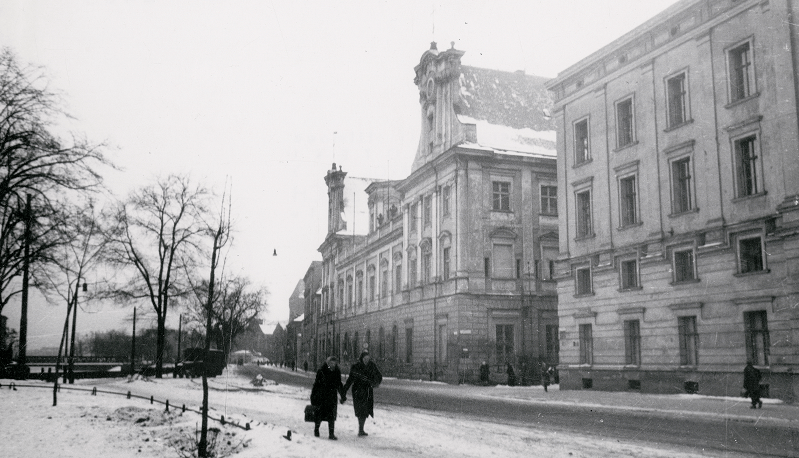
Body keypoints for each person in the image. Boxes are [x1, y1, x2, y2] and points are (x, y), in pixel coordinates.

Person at [343, 351, 383, 437]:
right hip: (358, 391)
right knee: (360, 410)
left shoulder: (372, 366)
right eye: (365, 359)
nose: (366, 360)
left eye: (368, 359)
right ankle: (361, 429)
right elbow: (350, 380)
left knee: (365, 411)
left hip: (367, 390)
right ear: (361, 358)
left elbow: (379, 376)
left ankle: (361, 429)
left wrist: (375, 383)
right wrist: (344, 391)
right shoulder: (356, 367)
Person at [310, 356, 347, 439]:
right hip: (322, 397)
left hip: (332, 397)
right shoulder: (321, 371)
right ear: (327, 363)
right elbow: (316, 384)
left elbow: (339, 384)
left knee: (331, 416)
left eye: (334, 363)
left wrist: (342, 395)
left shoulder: (337, 372)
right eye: (331, 363)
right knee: (319, 415)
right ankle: (316, 429)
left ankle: (331, 434)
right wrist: (313, 396)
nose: (333, 364)